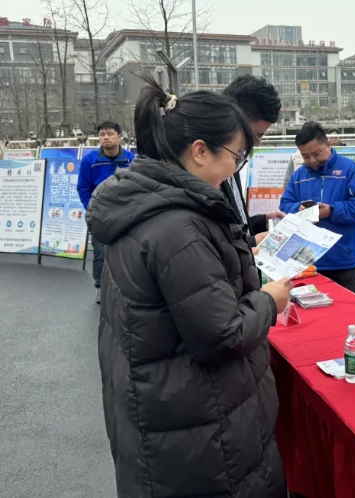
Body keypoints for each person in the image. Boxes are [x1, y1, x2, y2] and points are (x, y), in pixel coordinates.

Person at [86, 78, 291, 498]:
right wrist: (269, 301)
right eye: (236, 156)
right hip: (199, 430)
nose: (235, 169)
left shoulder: (146, 203)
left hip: (164, 412)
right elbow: (222, 335)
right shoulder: (178, 226)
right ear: (200, 151)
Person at [280, 122, 355, 294]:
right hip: (305, 261)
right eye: (305, 156)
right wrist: (298, 208)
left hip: (342, 261)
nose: (311, 160)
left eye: (316, 154)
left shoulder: (350, 170)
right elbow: (285, 204)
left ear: (328, 144)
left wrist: (332, 211)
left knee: (348, 308)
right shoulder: (298, 175)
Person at [222, 75, 285, 247]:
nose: (257, 143)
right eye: (255, 135)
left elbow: (236, 222)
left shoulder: (234, 159)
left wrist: (262, 221)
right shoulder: (209, 171)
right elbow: (214, 242)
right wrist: (253, 242)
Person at [77, 121, 135, 303]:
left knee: (127, 252)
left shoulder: (131, 160)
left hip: (125, 214)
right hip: (99, 215)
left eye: (110, 133)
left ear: (120, 136)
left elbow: (137, 185)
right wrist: (91, 208)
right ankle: (101, 287)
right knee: (101, 253)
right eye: (102, 134)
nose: (106, 137)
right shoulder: (90, 161)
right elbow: (83, 188)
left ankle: (127, 289)